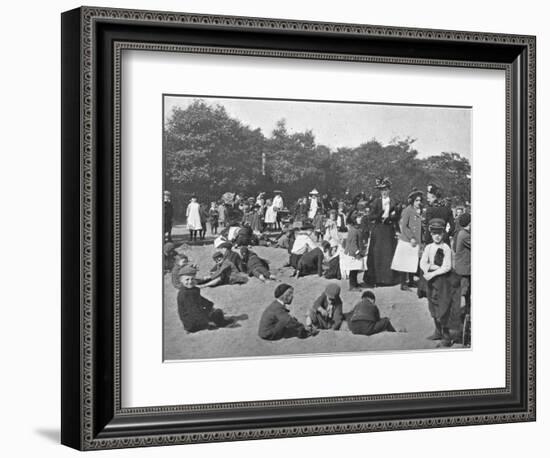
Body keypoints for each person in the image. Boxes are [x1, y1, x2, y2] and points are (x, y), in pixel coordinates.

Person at [420, 218, 462, 347]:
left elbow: (447, 267)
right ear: (431, 234)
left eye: (439, 233)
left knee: (444, 308)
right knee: (433, 305)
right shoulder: (428, 247)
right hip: (431, 282)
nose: (437, 236)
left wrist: (432, 271)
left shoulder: (446, 248)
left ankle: (446, 336)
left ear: (443, 233)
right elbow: (423, 263)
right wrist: (430, 268)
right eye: (434, 233)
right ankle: (437, 331)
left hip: (444, 282)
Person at [176, 265, 234, 333]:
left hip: (193, 318)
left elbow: (200, 299)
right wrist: (206, 323)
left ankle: (216, 320)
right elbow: (193, 311)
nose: (190, 281)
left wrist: (210, 306)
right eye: (187, 279)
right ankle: (221, 323)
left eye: (192, 279)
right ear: (181, 281)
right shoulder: (185, 294)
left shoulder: (191, 290)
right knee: (217, 313)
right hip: (191, 322)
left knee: (215, 312)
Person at [365, 177, 400, 286]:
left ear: (389, 190)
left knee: (388, 253)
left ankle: (388, 279)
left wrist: (391, 218)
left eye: (385, 189)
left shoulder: (394, 201)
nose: (383, 192)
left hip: (388, 230)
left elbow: (398, 216)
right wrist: (379, 216)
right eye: (382, 190)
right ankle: (376, 279)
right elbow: (370, 216)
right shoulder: (376, 202)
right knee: (377, 253)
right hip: (378, 230)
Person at [392, 189, 423, 291]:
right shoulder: (407, 211)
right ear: (412, 201)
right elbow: (404, 227)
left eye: (420, 200)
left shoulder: (418, 210)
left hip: (415, 241)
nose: (419, 202)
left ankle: (411, 281)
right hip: (407, 241)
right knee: (404, 262)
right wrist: (412, 238)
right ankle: (403, 284)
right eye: (417, 201)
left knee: (412, 261)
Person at [454, 213, 471, 318]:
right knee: (464, 293)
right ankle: (462, 315)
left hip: (464, 267)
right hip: (465, 269)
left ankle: (465, 313)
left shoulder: (462, 233)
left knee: (466, 292)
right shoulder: (465, 235)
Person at [344, 211, 366, 291]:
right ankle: (352, 286)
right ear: (354, 219)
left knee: (356, 269)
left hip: (354, 252)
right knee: (353, 270)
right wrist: (358, 252)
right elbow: (353, 244)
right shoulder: (353, 230)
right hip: (352, 253)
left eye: (360, 217)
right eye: (358, 218)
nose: (360, 219)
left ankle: (355, 284)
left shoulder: (357, 228)